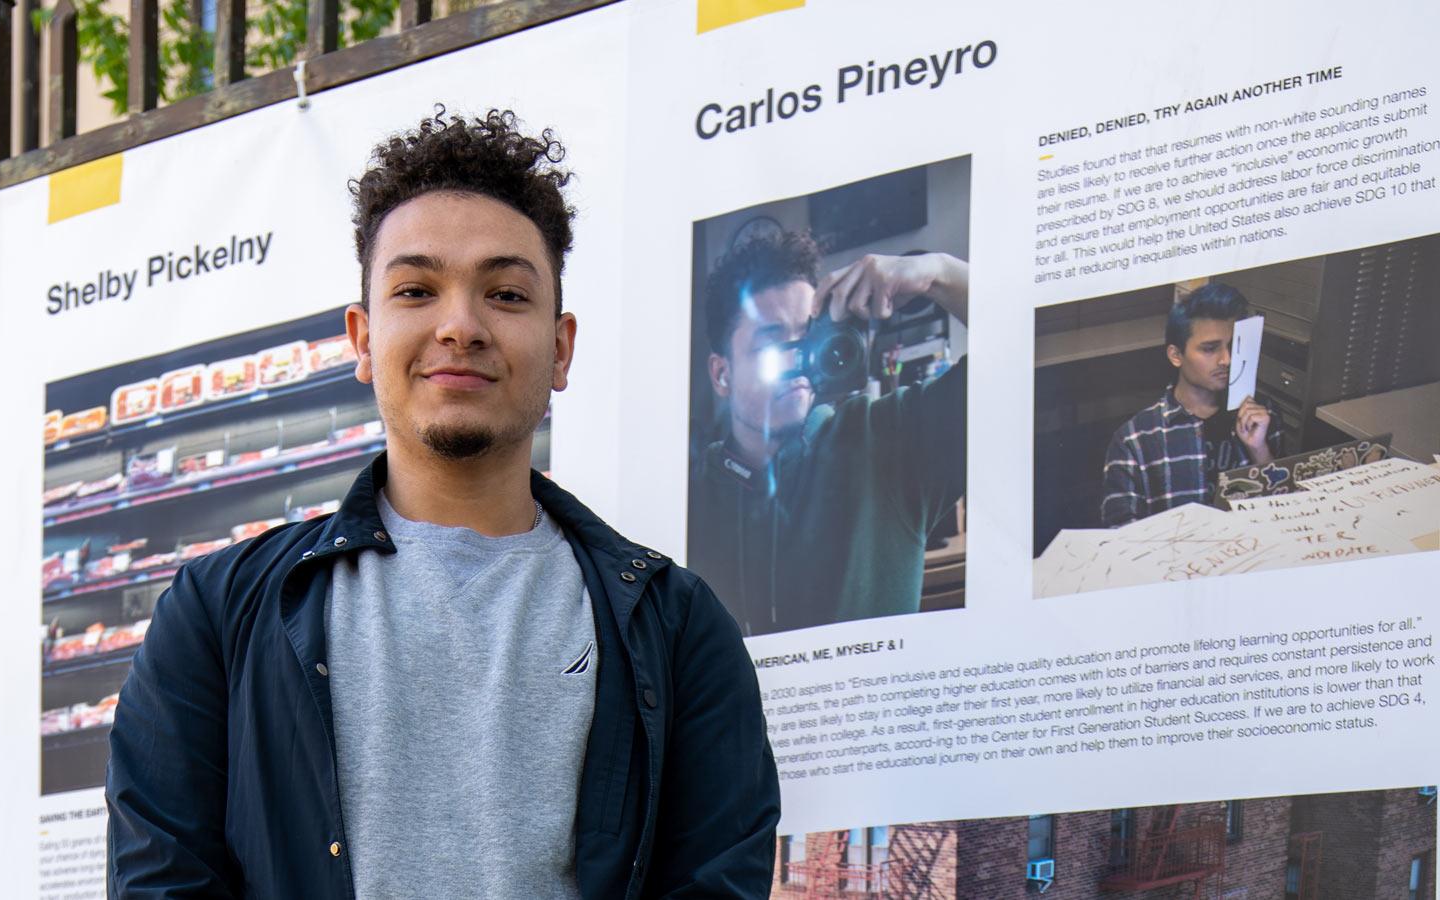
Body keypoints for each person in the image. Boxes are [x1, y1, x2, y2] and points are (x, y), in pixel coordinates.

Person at [105, 107, 778, 899]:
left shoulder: (679, 631)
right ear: (362, 339)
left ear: (560, 348)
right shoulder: (217, 617)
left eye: (505, 293)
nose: (459, 326)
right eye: (418, 290)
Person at [690, 230, 969, 635]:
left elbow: (1021, 346)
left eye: (807, 337)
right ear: (722, 373)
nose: (799, 360)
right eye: (772, 343)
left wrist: (936, 272)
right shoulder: (690, 496)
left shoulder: (887, 437)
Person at [1101, 282, 1280, 526]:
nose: (1226, 360)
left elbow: (1286, 510)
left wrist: (1259, 450)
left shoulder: (1262, 415)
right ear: (1176, 355)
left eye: (1232, 346)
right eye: (1210, 349)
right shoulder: (1134, 441)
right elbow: (1119, 533)